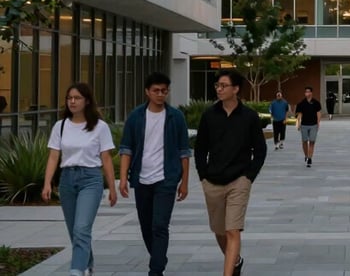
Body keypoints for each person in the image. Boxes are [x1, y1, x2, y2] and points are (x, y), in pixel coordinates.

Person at [194, 69, 267, 276]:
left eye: (223, 86)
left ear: (235, 89)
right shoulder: (209, 115)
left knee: (232, 230)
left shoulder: (250, 117)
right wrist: (203, 176)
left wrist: (249, 177)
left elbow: (260, 150)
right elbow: (200, 148)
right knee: (219, 231)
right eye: (217, 85)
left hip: (239, 181)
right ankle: (235, 261)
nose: (219, 89)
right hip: (213, 181)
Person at [42, 82, 117, 276]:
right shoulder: (61, 126)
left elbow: (106, 158)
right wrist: (47, 183)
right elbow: (53, 156)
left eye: (77, 98)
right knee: (74, 230)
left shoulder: (100, 127)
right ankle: (88, 262)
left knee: (82, 227)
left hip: (91, 179)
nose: (72, 102)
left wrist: (112, 188)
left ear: (87, 101)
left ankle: (77, 270)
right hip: (67, 179)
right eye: (69, 98)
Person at [119, 71, 190, 276]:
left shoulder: (176, 117)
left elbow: (184, 152)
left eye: (164, 91)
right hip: (141, 179)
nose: (160, 94)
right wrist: (123, 178)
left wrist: (184, 182)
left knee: (160, 225)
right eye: (156, 91)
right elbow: (126, 149)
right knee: (146, 227)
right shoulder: (136, 116)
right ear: (147, 92)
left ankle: (155, 270)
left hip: (166, 179)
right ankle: (159, 257)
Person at [295, 86, 322, 167]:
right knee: (304, 141)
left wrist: (318, 122)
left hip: (313, 125)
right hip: (304, 125)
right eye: (306, 91)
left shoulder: (316, 103)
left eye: (308, 91)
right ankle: (306, 155)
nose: (307, 93)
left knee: (312, 141)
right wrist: (298, 123)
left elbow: (318, 113)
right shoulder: (301, 103)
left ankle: (310, 158)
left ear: (311, 93)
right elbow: (299, 114)